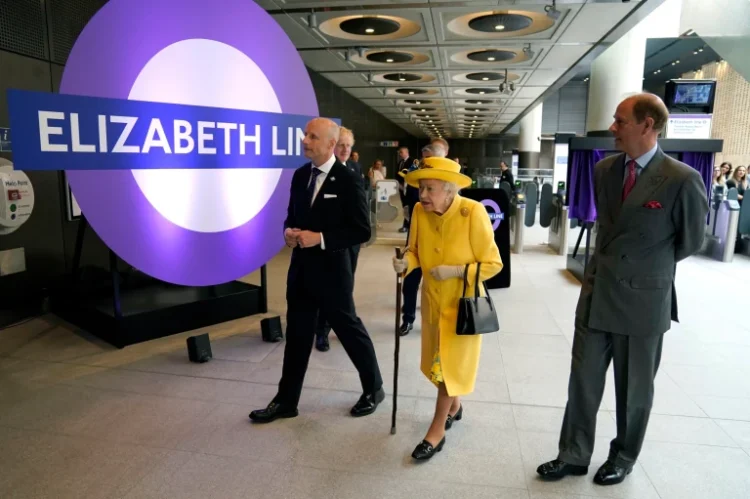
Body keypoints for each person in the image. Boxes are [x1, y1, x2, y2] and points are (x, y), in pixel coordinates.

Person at [537, 93, 709, 485]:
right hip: (597, 294)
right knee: (582, 382)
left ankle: (624, 456)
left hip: (643, 302)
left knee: (633, 392)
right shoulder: (605, 170)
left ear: (648, 126)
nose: (612, 128)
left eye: (620, 121)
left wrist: (647, 271)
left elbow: (690, 241)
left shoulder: (683, 179)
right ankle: (573, 454)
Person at [249, 118, 385, 424]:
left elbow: (362, 230)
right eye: (305, 135)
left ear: (330, 145)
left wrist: (320, 239)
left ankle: (373, 389)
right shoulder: (299, 176)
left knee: (349, 331)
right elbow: (290, 216)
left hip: (333, 273)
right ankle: (286, 401)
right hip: (301, 272)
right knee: (297, 335)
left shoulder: (348, 179)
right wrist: (288, 232)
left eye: (312, 136)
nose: (305, 140)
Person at [392, 157, 503, 460]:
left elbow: (494, 264)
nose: (422, 195)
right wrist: (406, 263)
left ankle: (436, 430)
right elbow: (414, 250)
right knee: (437, 366)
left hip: (462, 308)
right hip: (432, 303)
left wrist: (456, 271)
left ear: (450, 191)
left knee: (448, 370)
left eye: (429, 189)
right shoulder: (418, 211)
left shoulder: (472, 213)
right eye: (420, 188)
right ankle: (455, 407)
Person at [315, 127, 361, 352]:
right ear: (332, 145)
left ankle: (342, 327)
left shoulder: (354, 170)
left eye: (348, 146)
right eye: (341, 144)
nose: (344, 149)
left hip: (350, 244)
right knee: (327, 288)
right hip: (327, 244)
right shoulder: (321, 173)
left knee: (345, 288)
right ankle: (321, 330)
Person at [399, 139, 449, 337]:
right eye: (426, 160)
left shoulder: (452, 177)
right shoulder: (416, 174)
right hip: (419, 235)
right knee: (410, 281)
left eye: (433, 160)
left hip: (443, 240)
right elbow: (411, 198)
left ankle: (441, 321)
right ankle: (408, 318)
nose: (428, 165)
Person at [396, 147, 414, 233]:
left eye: (401, 152)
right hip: (401, 188)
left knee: (408, 206)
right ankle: (406, 224)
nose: (400, 154)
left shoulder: (412, 162)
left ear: (407, 152)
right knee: (404, 206)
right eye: (399, 153)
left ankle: (407, 225)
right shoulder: (400, 162)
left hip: (408, 187)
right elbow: (397, 173)